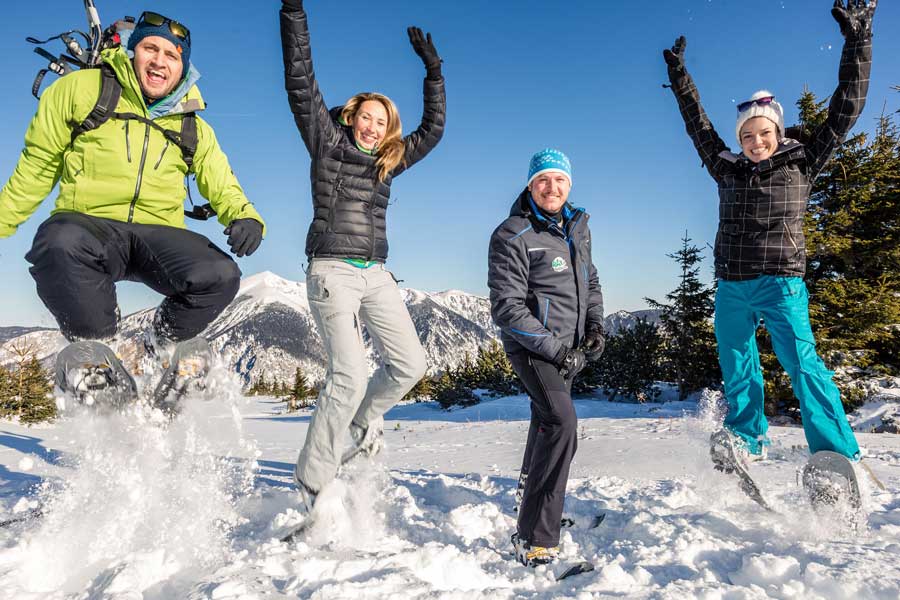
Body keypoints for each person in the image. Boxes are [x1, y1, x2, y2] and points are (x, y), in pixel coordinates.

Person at [0, 11, 265, 404]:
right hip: (88, 225)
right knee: (57, 243)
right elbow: (37, 166)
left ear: (183, 67)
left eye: (172, 55)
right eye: (150, 48)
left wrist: (245, 215)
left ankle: (165, 342)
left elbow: (220, 180)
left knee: (221, 273)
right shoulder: (81, 91)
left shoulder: (194, 126)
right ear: (131, 51)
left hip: (158, 234)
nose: (160, 61)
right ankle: (97, 353)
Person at [663, 0, 876, 471]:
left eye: (763, 134)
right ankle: (748, 439)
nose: (756, 143)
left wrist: (858, 39)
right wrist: (681, 78)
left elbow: (847, 106)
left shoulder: (803, 162)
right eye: (747, 137)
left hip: (782, 282)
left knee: (803, 365)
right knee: (738, 366)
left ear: (777, 131)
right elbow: (697, 126)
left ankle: (835, 450)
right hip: (733, 285)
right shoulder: (726, 170)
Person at [280, 0, 445, 510]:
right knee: (348, 375)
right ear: (351, 117)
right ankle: (312, 483)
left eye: (383, 121)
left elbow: (433, 131)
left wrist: (433, 73)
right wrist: (293, 11)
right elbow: (300, 78)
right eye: (367, 117)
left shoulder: (389, 162)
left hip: (376, 273)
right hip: (331, 270)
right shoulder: (326, 143)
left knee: (409, 363)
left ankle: (356, 422)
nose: (373, 127)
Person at [488, 149, 605, 566]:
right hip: (532, 347)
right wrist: (556, 349)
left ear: (569, 185)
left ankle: (533, 501)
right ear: (530, 184)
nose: (551, 188)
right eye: (542, 180)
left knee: (546, 421)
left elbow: (589, 282)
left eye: (559, 180)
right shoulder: (513, 234)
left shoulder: (577, 227)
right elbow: (507, 307)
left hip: (568, 349)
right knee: (561, 421)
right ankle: (534, 536)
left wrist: (595, 329)